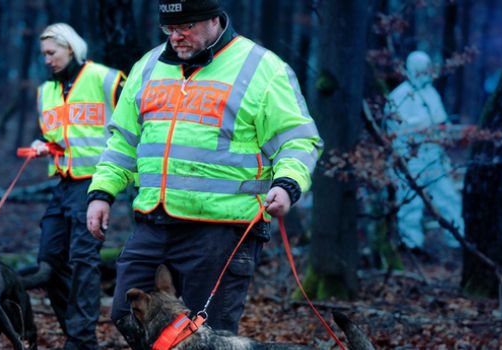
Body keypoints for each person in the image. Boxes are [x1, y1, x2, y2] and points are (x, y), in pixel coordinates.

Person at [84, 1, 322, 348]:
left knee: (210, 337)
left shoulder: (261, 68)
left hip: (222, 229)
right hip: (155, 220)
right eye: (169, 28)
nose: (176, 37)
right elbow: (123, 140)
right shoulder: (148, 66)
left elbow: (299, 140)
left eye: (186, 27)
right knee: (126, 313)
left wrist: (288, 185)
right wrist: (102, 192)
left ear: (214, 19)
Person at [29, 23, 125, 350]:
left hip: (95, 184)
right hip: (62, 185)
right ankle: (77, 335)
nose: (47, 60)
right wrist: (42, 144)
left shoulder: (105, 78)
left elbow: (132, 124)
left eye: (51, 53)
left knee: (84, 261)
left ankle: (81, 341)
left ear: (71, 48)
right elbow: (56, 134)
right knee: (48, 262)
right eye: (43, 54)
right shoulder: (46, 91)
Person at [385, 51, 462, 252]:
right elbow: (395, 129)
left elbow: (440, 121)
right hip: (410, 159)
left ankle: (457, 240)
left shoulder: (431, 93)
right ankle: (412, 244)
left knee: (448, 197)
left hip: (434, 156)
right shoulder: (400, 96)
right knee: (410, 203)